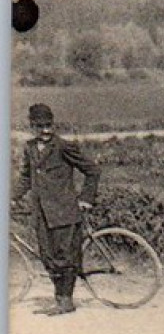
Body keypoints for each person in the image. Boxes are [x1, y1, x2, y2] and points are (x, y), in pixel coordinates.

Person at [15, 103, 100, 315]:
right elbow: (27, 177)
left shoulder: (64, 147)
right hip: (42, 214)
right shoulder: (29, 148)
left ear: (53, 124)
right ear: (32, 126)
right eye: (39, 126)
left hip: (64, 212)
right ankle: (60, 298)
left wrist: (85, 199)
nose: (45, 131)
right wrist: (11, 198)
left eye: (48, 125)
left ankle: (65, 301)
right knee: (47, 257)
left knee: (65, 257)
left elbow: (92, 171)